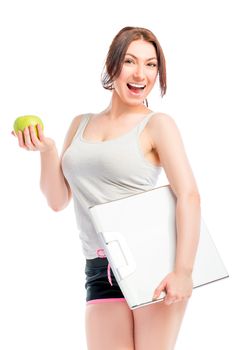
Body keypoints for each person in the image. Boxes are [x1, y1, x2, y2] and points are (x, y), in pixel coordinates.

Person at [12, 26, 201, 350]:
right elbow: (58, 200)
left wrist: (183, 272)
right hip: (100, 269)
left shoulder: (157, 124)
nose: (141, 73)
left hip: (152, 264)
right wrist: (47, 150)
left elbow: (188, 195)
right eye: (130, 61)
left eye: (151, 64)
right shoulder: (81, 123)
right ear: (112, 64)